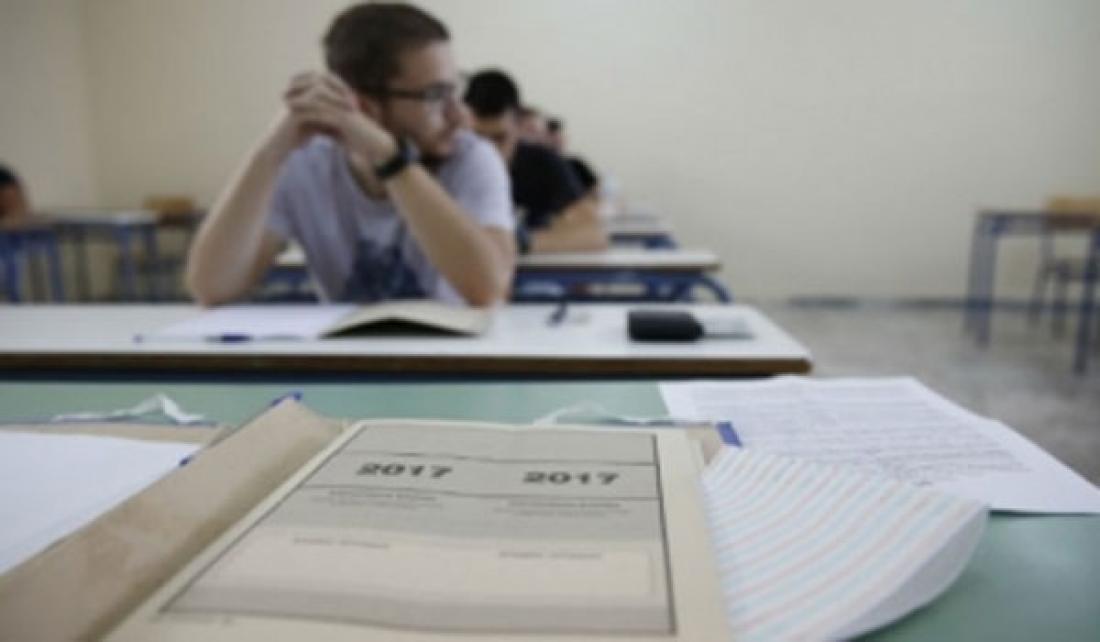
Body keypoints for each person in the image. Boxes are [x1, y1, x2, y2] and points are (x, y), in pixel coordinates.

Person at [185, 2, 515, 307]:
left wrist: (390, 158)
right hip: (349, 351)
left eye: (455, 88)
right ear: (364, 108)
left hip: (451, 350)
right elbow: (212, 288)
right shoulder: (306, 164)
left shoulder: (471, 158)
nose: (459, 115)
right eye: (435, 95)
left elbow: (489, 288)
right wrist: (270, 153)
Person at [463, 69, 606, 254]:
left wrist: (522, 242)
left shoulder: (543, 163)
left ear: (518, 127)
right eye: (479, 139)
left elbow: (594, 235)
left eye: (500, 138)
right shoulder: (449, 164)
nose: (489, 151)